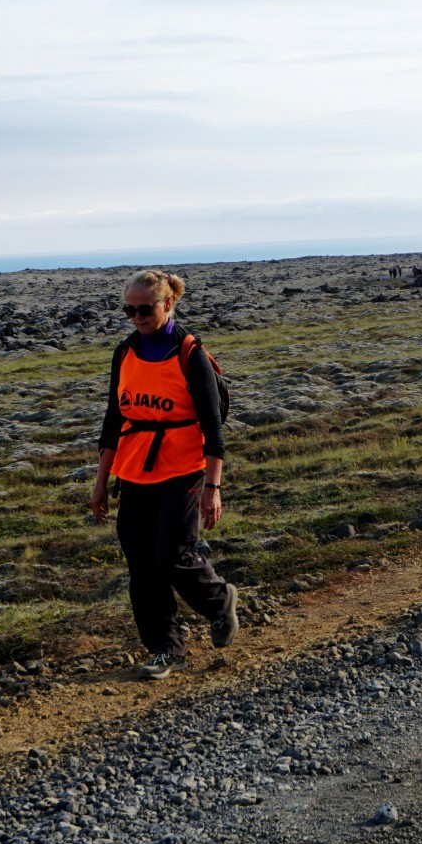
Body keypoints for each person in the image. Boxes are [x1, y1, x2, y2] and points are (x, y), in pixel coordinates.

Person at [89, 270, 239, 680]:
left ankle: (220, 601)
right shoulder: (125, 353)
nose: (136, 317)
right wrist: (100, 483)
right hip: (134, 471)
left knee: (173, 555)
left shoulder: (189, 353)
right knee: (142, 565)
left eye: (144, 309)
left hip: (185, 471)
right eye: (129, 310)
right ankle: (165, 650)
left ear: (168, 304)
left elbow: (213, 428)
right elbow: (112, 422)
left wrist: (213, 487)